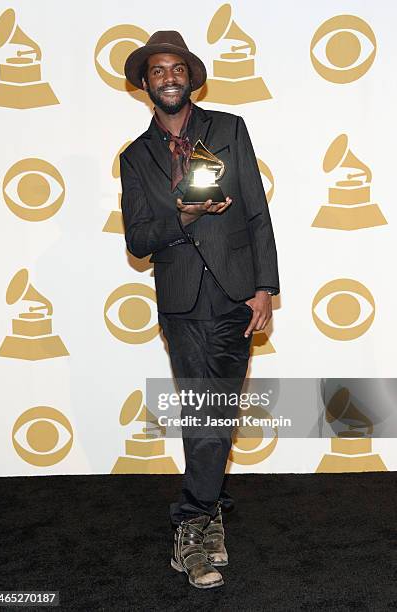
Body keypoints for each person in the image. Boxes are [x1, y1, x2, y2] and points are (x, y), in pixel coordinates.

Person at [121, 31, 279, 589]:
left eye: (177, 68)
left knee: (218, 409)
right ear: (145, 84)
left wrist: (264, 288)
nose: (168, 76)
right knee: (202, 408)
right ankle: (194, 522)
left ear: (191, 77)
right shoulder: (135, 158)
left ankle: (205, 509)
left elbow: (257, 212)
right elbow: (139, 239)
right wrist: (183, 218)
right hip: (183, 299)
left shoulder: (229, 128)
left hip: (236, 292)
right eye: (157, 70)